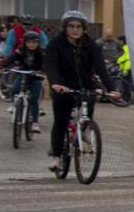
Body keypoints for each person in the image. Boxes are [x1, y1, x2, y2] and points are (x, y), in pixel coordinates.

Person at [44, 10, 109, 168]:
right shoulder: (56, 44)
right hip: (62, 86)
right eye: (71, 26)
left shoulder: (91, 45)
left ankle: (86, 126)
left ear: (84, 28)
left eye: (79, 26)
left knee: (90, 99)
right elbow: (50, 65)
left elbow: (101, 68)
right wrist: (54, 83)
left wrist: (111, 88)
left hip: (85, 84)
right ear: (65, 27)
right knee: (61, 122)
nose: (75, 30)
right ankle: (56, 154)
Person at [7, 29, 49, 134]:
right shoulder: (20, 50)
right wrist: (4, 65)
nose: (31, 45)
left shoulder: (41, 52)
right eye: (29, 42)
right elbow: (11, 58)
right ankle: (14, 106)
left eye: (34, 42)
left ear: (38, 43)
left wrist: (43, 70)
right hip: (23, 74)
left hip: (35, 77)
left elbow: (45, 63)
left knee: (34, 99)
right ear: (24, 42)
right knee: (14, 89)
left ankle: (35, 123)